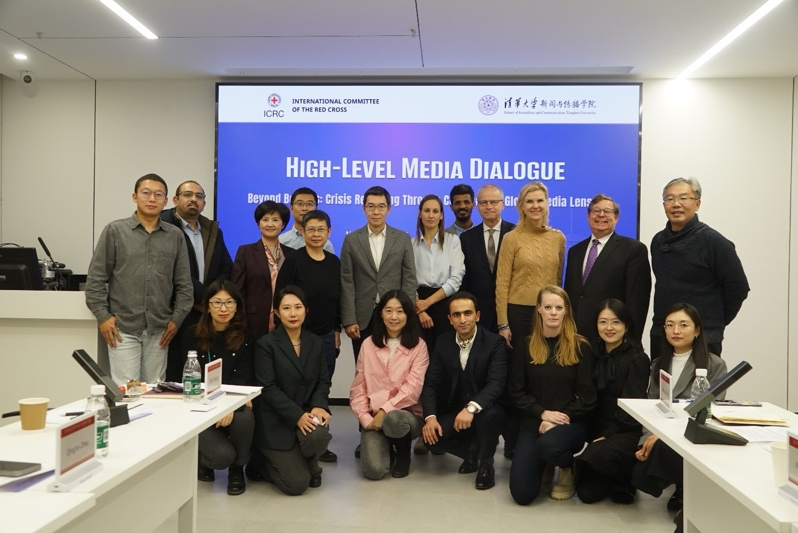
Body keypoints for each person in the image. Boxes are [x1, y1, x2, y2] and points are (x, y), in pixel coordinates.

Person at [85, 173, 193, 385]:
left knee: (155, 391)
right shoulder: (115, 231)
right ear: (134, 197)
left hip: (160, 329)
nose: (152, 199)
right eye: (146, 193)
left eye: (158, 194)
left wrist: (176, 320)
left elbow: (184, 285)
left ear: (166, 200)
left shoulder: (175, 236)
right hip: (123, 328)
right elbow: (95, 279)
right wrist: (103, 317)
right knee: (128, 391)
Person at [632, 303, 727, 525]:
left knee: (663, 451)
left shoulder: (714, 365)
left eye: (684, 325)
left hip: (692, 434)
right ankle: (680, 484)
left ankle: (687, 489)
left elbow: (709, 412)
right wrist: (648, 438)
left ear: (697, 330)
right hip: (660, 434)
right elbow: (652, 407)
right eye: (670, 325)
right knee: (638, 474)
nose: (676, 331)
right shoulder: (658, 364)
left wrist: (663, 436)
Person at [509, 285, 596, 505]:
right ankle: (546, 460)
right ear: (538, 308)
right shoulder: (525, 345)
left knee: (549, 445)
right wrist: (542, 413)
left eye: (559, 307)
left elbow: (588, 397)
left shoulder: (580, 346)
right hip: (535, 421)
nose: (553, 313)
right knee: (522, 494)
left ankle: (566, 466)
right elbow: (516, 392)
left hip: (569, 422)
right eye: (548, 307)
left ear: (567, 310)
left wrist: (558, 419)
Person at [650, 177, 749, 359]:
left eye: (683, 198)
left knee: (702, 379)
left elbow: (738, 287)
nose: (676, 204)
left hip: (702, 336)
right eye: (670, 199)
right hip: (663, 335)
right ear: (664, 205)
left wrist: (713, 322)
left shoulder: (714, 242)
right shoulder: (658, 241)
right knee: (661, 378)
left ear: (697, 204)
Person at [250, 286, 332, 495]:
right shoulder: (266, 344)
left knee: (319, 435)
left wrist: (319, 405)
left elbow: (323, 381)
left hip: (306, 412)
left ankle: (309, 462)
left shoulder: (316, 342)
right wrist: (297, 416)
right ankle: (258, 461)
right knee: (296, 485)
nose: (293, 313)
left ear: (306, 310)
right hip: (276, 421)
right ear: (277, 313)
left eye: (298, 307)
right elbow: (268, 389)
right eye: (286, 308)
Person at [421, 292, 507, 490]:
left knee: (489, 417)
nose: (462, 319)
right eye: (456, 315)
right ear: (449, 319)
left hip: (487, 408)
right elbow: (431, 383)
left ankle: (486, 464)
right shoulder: (443, 342)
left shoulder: (494, 342)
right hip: (456, 409)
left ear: (477, 315)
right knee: (431, 439)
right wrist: (430, 418)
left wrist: (471, 408)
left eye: (467, 313)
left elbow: (496, 383)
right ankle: (472, 452)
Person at [275, 209, 341, 463]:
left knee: (321, 387)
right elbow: (281, 296)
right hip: (297, 335)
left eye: (321, 229)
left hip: (326, 335)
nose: (316, 234)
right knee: (295, 385)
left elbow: (338, 299)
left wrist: (337, 329)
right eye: (310, 229)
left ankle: (319, 440)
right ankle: (294, 436)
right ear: (302, 232)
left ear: (329, 232)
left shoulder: (334, 262)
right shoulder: (294, 260)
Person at [181, 280, 255, 495]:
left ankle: (237, 469)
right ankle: (204, 459)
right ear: (207, 306)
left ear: (237, 306)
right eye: (217, 302)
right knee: (221, 457)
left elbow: (244, 378)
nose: (223, 309)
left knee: (245, 416)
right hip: (200, 405)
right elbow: (183, 378)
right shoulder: (192, 335)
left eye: (229, 302)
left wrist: (227, 406)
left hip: (232, 401)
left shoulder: (246, 337)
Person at [575, 299, 650, 505]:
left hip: (624, 430)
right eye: (603, 322)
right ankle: (610, 474)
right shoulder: (592, 354)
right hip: (596, 429)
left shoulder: (637, 359)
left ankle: (626, 476)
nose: (609, 328)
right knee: (586, 494)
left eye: (616, 322)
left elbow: (633, 407)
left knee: (595, 457)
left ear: (627, 326)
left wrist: (607, 435)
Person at [349, 290, 429, 479]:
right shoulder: (368, 344)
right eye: (389, 311)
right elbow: (358, 388)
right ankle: (387, 447)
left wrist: (384, 411)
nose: (394, 317)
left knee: (393, 419)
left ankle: (403, 453)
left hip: (406, 417)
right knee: (374, 471)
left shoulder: (419, 346)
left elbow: (412, 390)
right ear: (381, 314)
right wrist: (366, 419)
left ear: (408, 315)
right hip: (374, 418)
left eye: (400, 311)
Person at [162, 180, 234, 381]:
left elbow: (226, 267)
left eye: (199, 196)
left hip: (205, 312)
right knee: (176, 370)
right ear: (175, 200)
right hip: (176, 310)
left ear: (204, 203)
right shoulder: (165, 226)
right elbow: (175, 271)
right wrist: (206, 296)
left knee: (199, 368)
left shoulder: (212, 230)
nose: (193, 199)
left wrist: (211, 298)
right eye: (187, 195)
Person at [340, 186, 416, 360]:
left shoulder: (402, 238)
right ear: (364, 208)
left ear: (388, 208)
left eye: (381, 206)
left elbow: (409, 278)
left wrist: (407, 314)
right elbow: (347, 281)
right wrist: (349, 319)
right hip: (362, 317)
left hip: (394, 315)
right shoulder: (351, 240)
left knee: (395, 365)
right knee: (364, 366)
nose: (376, 212)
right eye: (371, 206)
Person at [563, 194, 651, 342]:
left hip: (612, 337)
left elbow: (637, 301)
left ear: (616, 218)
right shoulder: (575, 251)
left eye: (607, 211)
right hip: (577, 337)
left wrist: (631, 340)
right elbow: (570, 294)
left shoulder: (633, 250)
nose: (601, 215)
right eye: (596, 211)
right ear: (588, 216)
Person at [496, 182, 565, 348]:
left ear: (546, 203)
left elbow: (557, 280)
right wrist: (503, 324)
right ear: (521, 206)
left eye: (540, 200)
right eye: (529, 201)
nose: (535, 206)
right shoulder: (511, 238)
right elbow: (502, 284)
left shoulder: (558, 238)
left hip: (549, 313)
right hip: (518, 314)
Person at [232, 200, 294, 340]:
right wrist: (239, 322)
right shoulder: (245, 252)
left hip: (285, 321)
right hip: (253, 322)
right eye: (265, 219)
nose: (270, 224)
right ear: (259, 224)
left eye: (275, 220)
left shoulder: (291, 254)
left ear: (283, 224)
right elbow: (237, 290)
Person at [413, 194, 465, 355]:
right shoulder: (410, 244)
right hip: (418, 306)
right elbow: (407, 281)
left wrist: (427, 303)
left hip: (445, 303)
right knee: (421, 357)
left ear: (441, 215)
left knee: (446, 356)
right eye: (426, 211)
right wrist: (420, 310)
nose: (431, 215)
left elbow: (456, 279)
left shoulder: (453, 241)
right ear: (420, 214)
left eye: (435, 211)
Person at [459, 184, 515, 334]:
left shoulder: (515, 233)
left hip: (511, 311)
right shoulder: (466, 238)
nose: (488, 206)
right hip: (479, 313)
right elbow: (465, 279)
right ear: (477, 206)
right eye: (483, 202)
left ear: (503, 204)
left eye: (494, 202)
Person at [279, 187, 335, 253]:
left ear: (316, 208)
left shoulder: (325, 245)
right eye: (300, 204)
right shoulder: (281, 241)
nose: (304, 208)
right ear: (291, 208)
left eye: (309, 204)